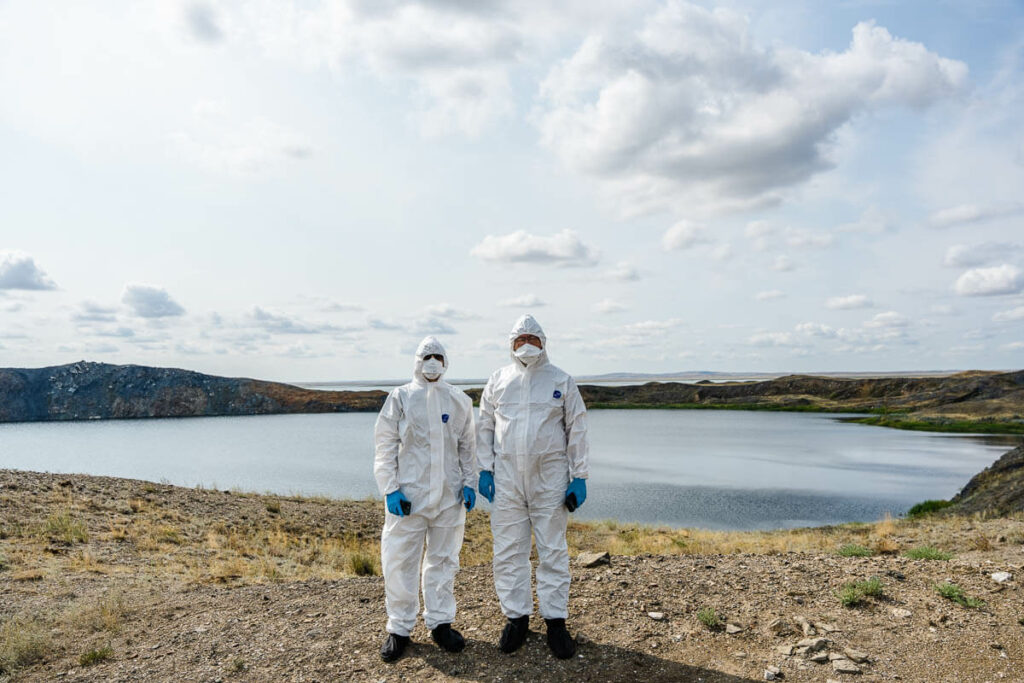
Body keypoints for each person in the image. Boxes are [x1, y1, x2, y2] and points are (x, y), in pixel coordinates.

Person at [477, 314, 589, 659]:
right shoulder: (498, 381)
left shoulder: (561, 381)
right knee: (509, 551)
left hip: (550, 479)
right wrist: (484, 469)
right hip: (508, 479)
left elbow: (578, 427)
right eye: (520, 338)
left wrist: (579, 476)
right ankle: (516, 617)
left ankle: (556, 621)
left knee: (552, 549)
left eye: (533, 338)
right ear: (511, 344)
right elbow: (483, 426)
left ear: (544, 342)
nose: (527, 343)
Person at [373, 336, 478, 663]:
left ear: (445, 362)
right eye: (427, 356)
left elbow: (468, 447)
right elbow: (385, 446)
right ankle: (400, 628)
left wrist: (470, 483)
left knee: (444, 561)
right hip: (410, 498)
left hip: (448, 498)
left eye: (438, 356)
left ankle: (440, 623)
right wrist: (390, 488)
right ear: (417, 360)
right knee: (400, 562)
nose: (432, 362)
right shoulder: (400, 398)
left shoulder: (458, 400)